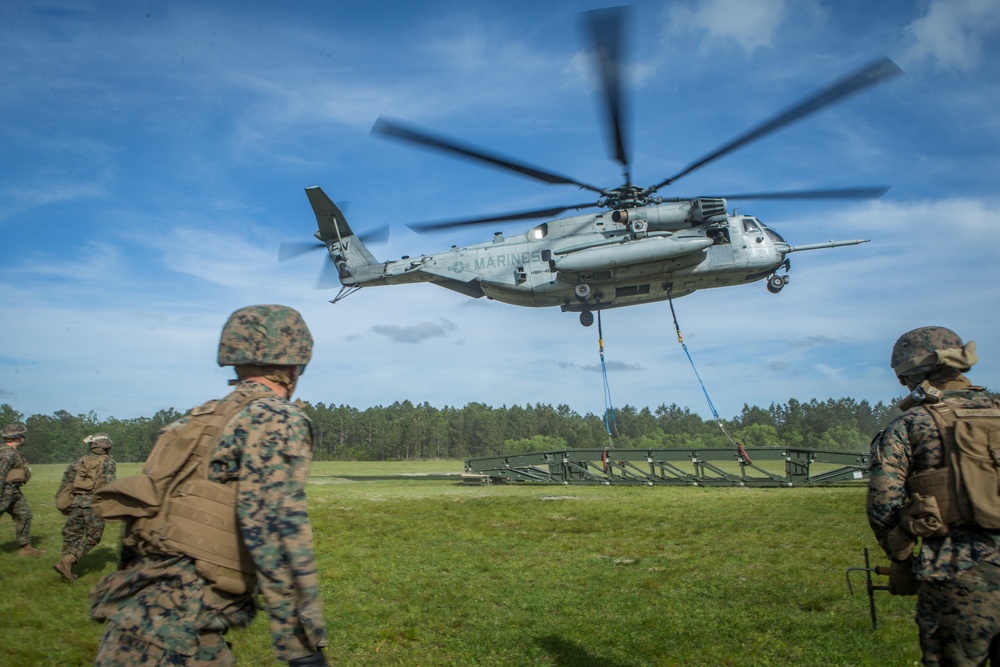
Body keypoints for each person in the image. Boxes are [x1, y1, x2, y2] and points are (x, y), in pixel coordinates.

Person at [89, 304, 328, 666]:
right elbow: (276, 533)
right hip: (179, 632)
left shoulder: (194, 421)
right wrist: (301, 646)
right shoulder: (277, 418)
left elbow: (140, 513)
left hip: (141, 620)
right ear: (295, 366)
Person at [867, 326, 1000, 665]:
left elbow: (884, 504)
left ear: (906, 375)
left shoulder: (912, 425)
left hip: (959, 573)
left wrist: (902, 561)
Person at [54, 433, 117, 581]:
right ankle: (67, 561)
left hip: (77, 503)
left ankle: (66, 568)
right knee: (93, 537)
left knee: (72, 534)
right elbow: (111, 484)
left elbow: (66, 483)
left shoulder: (80, 461)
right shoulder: (108, 462)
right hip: (94, 504)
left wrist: (63, 500)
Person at [0, 422, 45, 557]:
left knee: (24, 515)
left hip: (13, 492)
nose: (24, 437)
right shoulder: (6, 454)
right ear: (18, 437)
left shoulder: (11, 452)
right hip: (4, 492)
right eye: (22, 435)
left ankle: (25, 548)